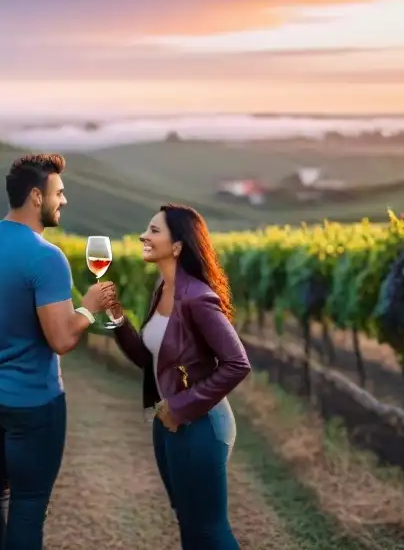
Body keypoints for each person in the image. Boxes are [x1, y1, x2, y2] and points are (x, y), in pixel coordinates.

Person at [0, 153, 116, 550]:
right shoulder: (47, 257)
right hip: (33, 402)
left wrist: (2, 335)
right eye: (59, 192)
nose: (65, 200)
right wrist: (88, 308)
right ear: (35, 196)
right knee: (29, 502)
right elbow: (61, 339)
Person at [107, 203, 250, 549]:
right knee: (188, 522)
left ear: (177, 246)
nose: (144, 235)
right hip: (170, 422)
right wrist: (116, 316)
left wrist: (180, 407)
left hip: (201, 425)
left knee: (209, 529)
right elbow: (149, 358)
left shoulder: (198, 298)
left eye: (154, 230)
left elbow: (237, 363)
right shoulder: (163, 290)